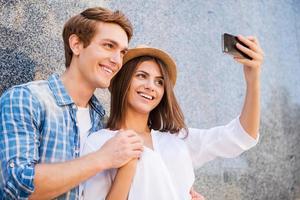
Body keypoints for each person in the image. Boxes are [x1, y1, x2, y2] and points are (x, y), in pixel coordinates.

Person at [82, 40, 264, 200]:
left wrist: (253, 77)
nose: (150, 86)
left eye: (159, 82)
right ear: (123, 81)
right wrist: (127, 167)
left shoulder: (177, 139)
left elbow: (242, 136)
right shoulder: (98, 143)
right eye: (141, 76)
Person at [0, 7, 145, 199]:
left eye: (122, 52)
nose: (116, 60)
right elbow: (16, 186)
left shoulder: (102, 123)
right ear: (76, 44)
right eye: (109, 46)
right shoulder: (26, 99)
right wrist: (102, 158)